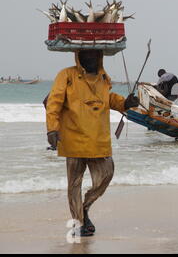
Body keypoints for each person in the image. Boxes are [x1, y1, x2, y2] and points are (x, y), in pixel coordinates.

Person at [45, 50, 139, 237]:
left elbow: (108, 98)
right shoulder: (67, 75)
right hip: (72, 138)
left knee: (106, 175)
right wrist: (52, 128)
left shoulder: (103, 78)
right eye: (86, 55)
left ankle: (85, 207)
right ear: (78, 57)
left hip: (98, 139)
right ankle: (78, 222)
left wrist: (125, 103)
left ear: (100, 57)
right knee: (74, 184)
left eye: (95, 55)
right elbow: (54, 102)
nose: (91, 59)